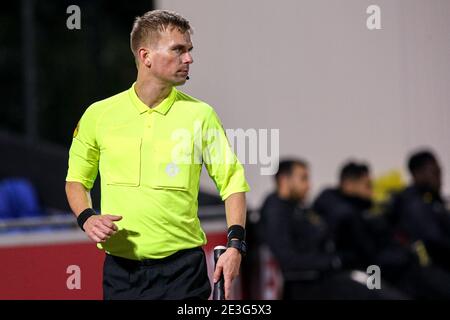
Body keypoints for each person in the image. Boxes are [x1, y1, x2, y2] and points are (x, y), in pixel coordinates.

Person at [65, 10, 250, 300]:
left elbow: (232, 184)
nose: (188, 59)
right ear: (145, 56)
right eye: (178, 50)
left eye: (189, 50)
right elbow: (76, 180)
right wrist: (87, 217)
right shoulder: (98, 115)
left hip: (183, 274)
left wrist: (235, 245)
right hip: (120, 275)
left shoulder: (201, 116)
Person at [260, 159, 403, 299]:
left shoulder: (297, 209)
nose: (309, 185)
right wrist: (334, 261)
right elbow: (287, 259)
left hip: (326, 275)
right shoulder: (276, 210)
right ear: (284, 180)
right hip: (308, 283)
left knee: (379, 285)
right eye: (303, 178)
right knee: (373, 291)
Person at [391, 150, 450, 272]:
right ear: (418, 174)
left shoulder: (431, 200)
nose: (439, 179)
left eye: (439, 173)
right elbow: (435, 241)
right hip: (427, 271)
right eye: (434, 173)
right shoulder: (413, 203)